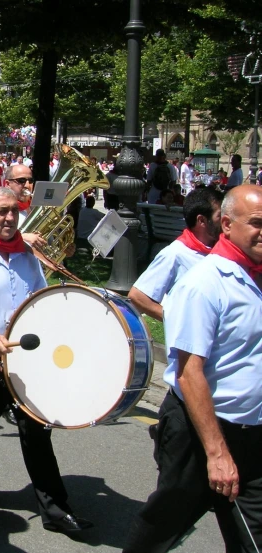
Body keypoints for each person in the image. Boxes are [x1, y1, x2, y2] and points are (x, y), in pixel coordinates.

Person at [0, 186, 93, 534]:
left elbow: (40, 299)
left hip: (27, 361)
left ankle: (55, 508)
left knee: (37, 433)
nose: (10, 218)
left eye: (13, 211)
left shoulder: (27, 255)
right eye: (1, 213)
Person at [123, 185, 262, 553]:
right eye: (258, 223)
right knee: (163, 526)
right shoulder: (202, 284)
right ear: (227, 225)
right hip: (200, 433)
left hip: (254, 434)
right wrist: (217, 454)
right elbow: (188, 372)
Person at [129, 188, 223, 322]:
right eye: (220, 216)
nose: (226, 221)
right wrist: (178, 321)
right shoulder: (175, 253)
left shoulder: (223, 248)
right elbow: (138, 296)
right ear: (202, 221)